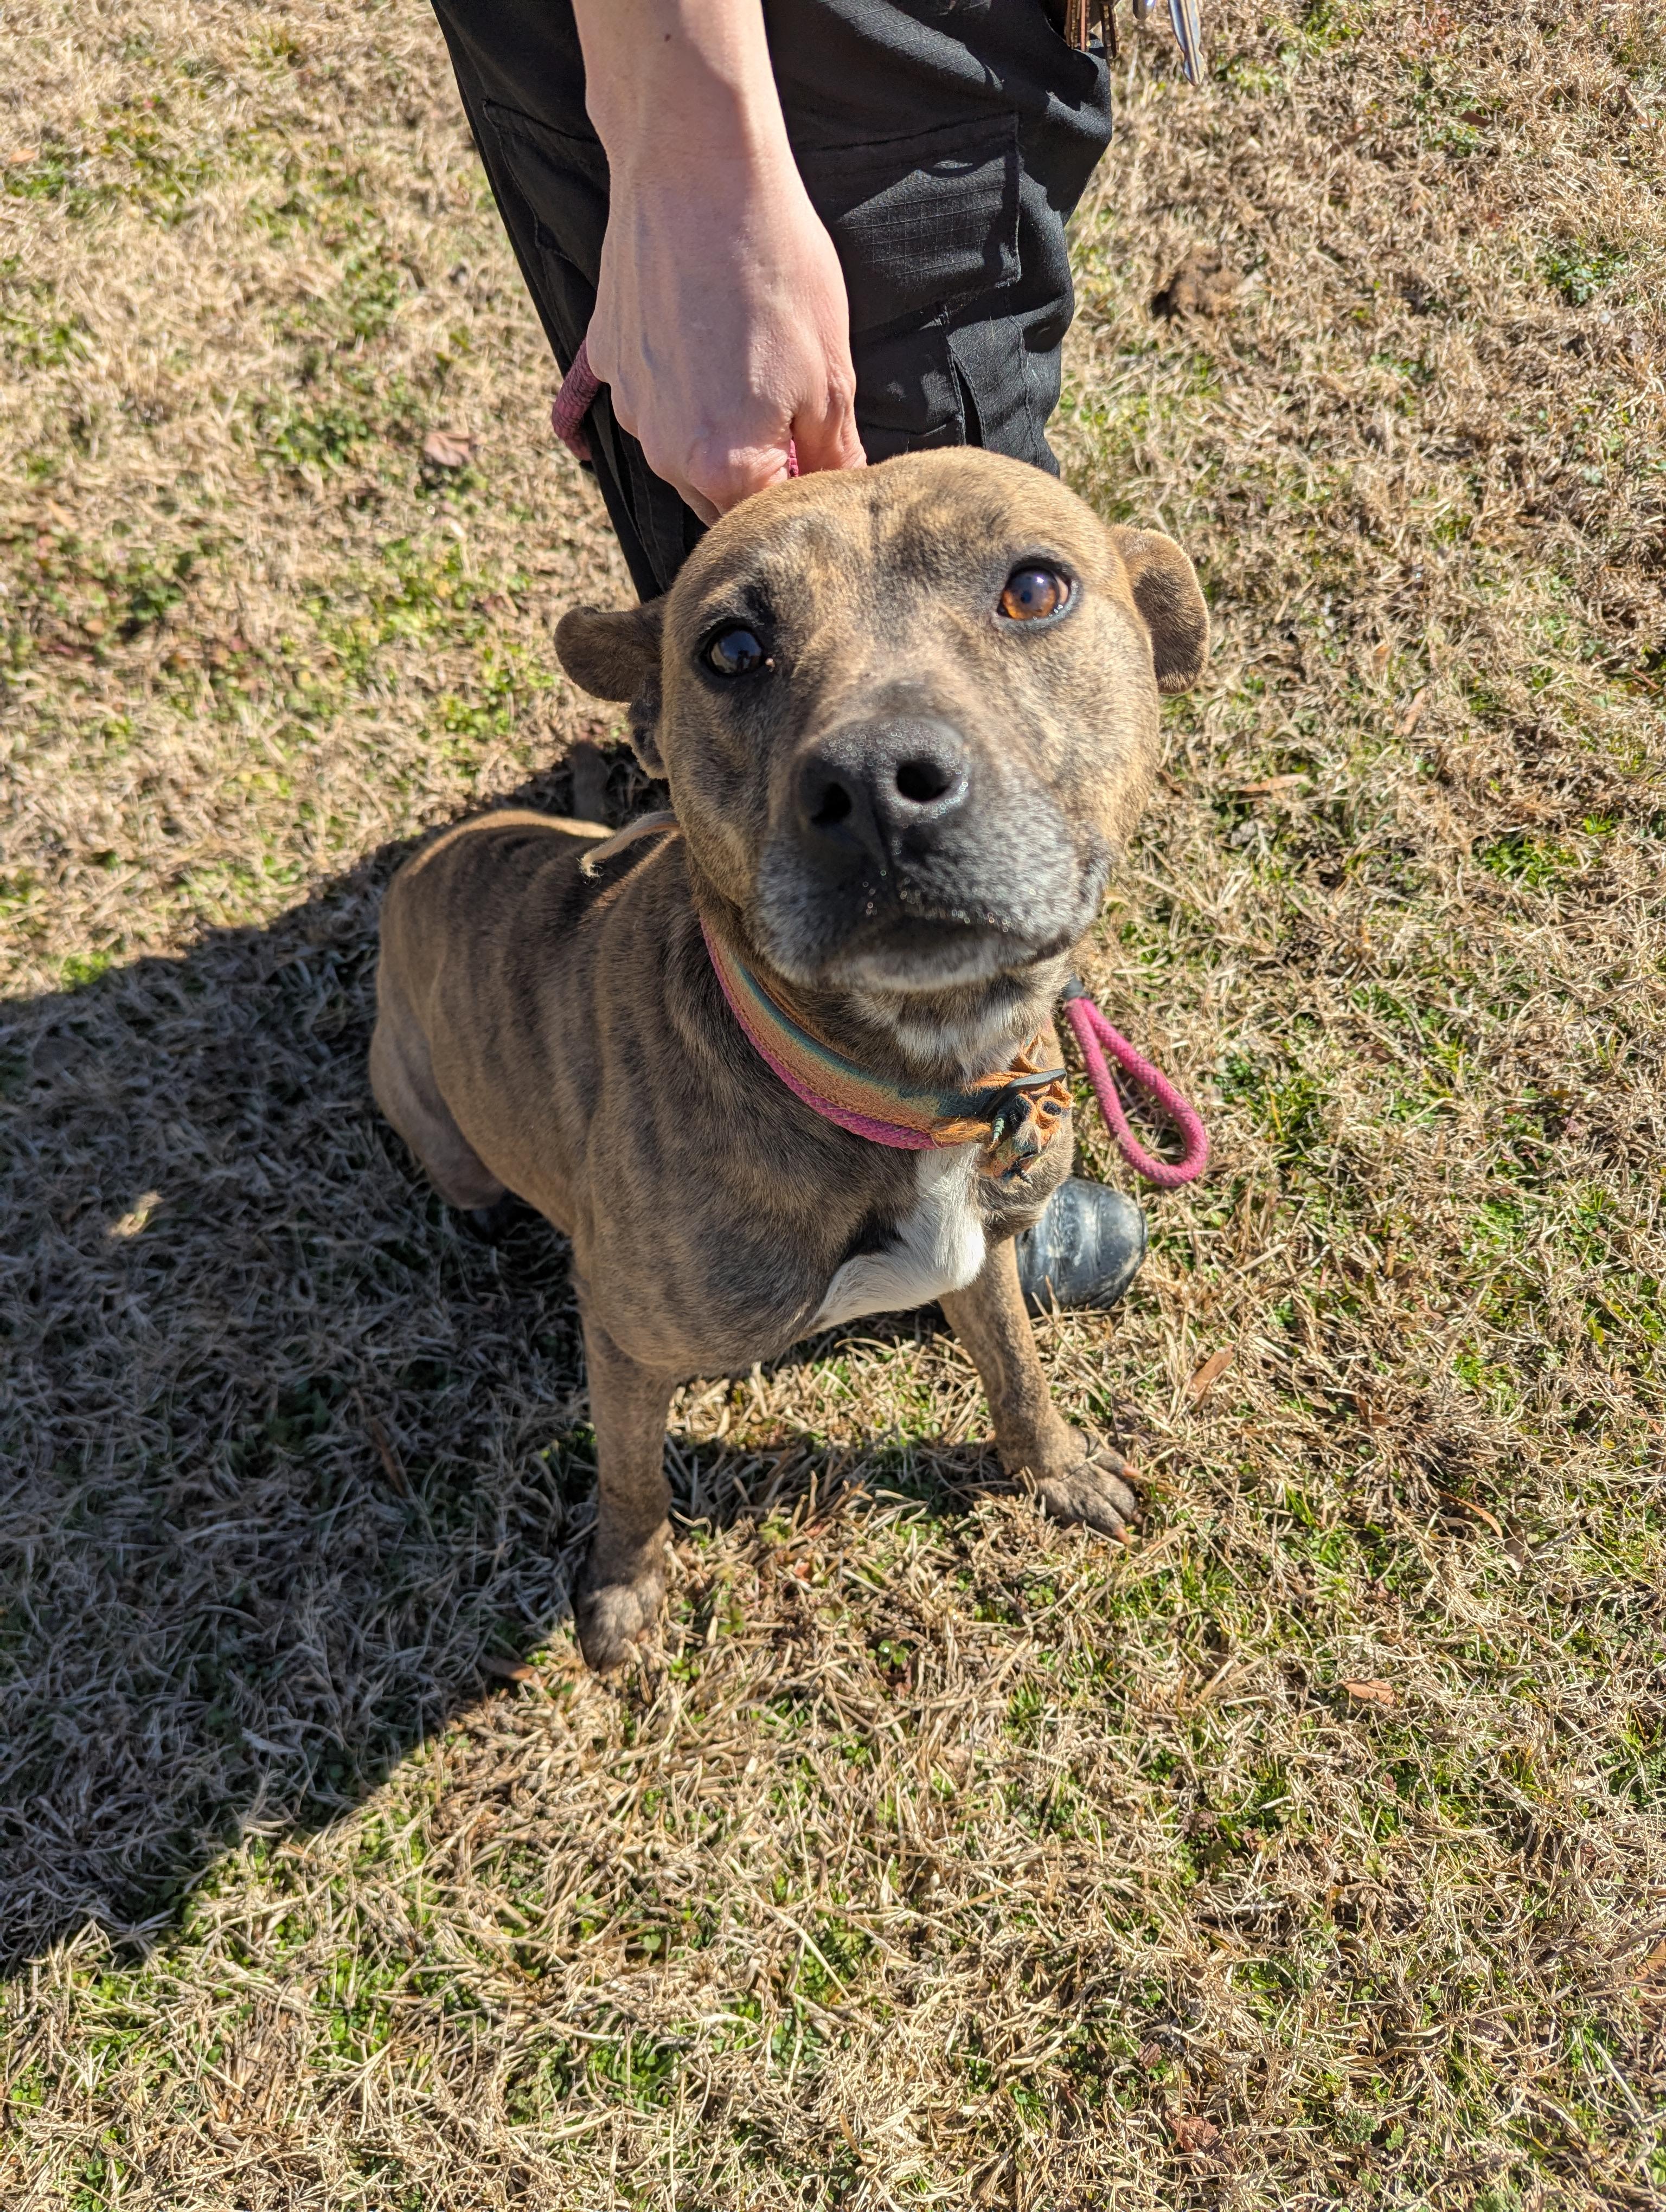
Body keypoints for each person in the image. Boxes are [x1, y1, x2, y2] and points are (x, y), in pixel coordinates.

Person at [431, 0, 1151, 1309]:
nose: (881, 759)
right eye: (735, 656)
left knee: (843, 498)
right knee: (792, 455)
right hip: (806, 55)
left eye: (1032, 596)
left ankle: (969, 1127)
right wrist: (694, 148)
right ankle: (877, 1153)